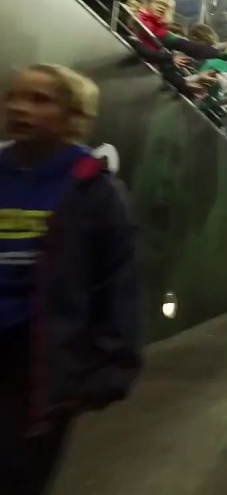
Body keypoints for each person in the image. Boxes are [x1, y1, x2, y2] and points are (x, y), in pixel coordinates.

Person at [0, 64, 139, 495]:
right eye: (15, 97)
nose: (21, 108)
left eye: (41, 100)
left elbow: (118, 281)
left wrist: (112, 365)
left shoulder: (91, 185)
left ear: (74, 114)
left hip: (40, 364)